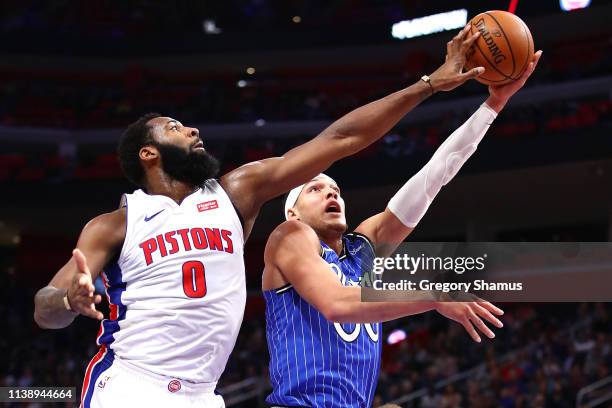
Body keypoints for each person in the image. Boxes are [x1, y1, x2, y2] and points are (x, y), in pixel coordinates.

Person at [33, 25, 485, 408]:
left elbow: (342, 137)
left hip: (204, 395)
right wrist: (67, 302)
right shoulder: (115, 224)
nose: (192, 129)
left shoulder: (236, 192)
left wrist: (428, 85)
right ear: (148, 153)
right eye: (174, 127)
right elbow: (44, 307)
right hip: (131, 384)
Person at [262, 51, 542, 408]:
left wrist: (493, 105)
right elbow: (335, 303)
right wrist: (432, 294)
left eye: (335, 189)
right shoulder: (290, 237)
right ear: (293, 213)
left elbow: (435, 174)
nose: (330, 191)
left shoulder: (363, 250)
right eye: (314, 189)